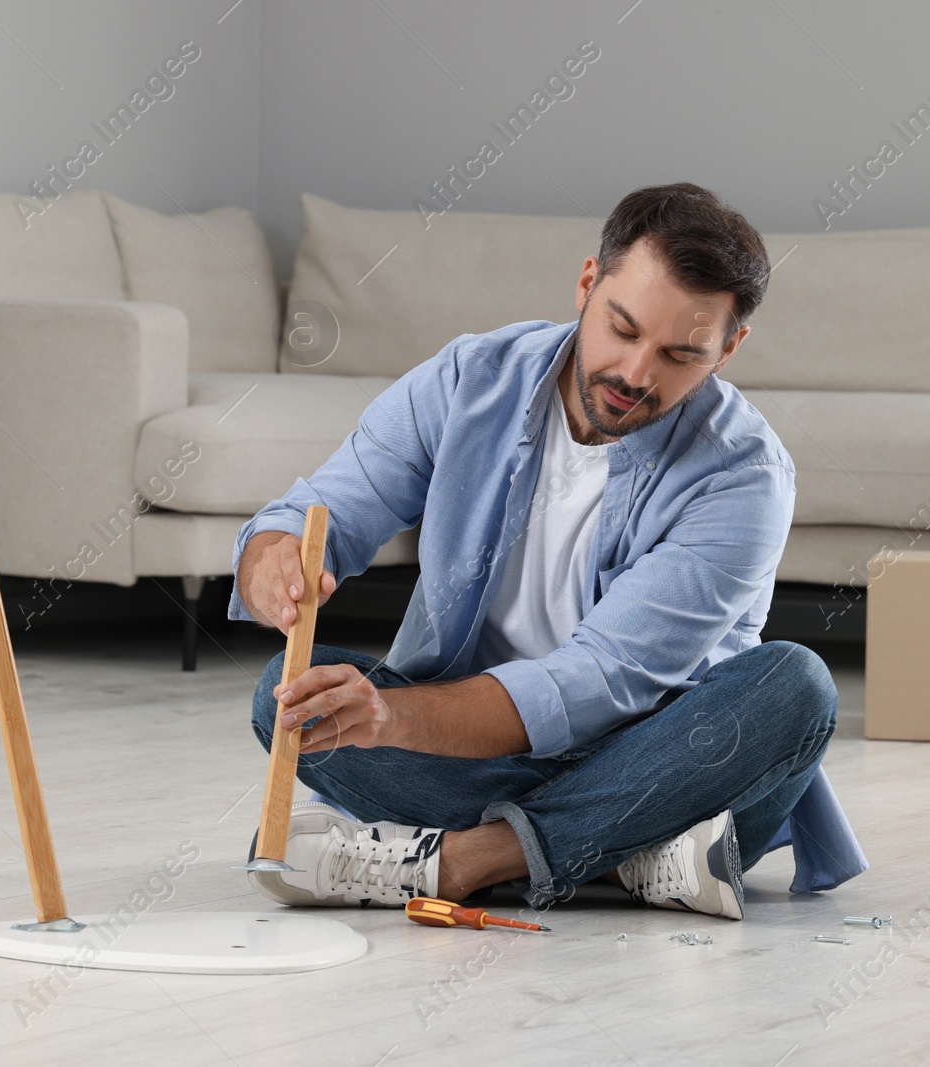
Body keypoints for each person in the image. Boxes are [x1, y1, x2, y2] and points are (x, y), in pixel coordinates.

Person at [231, 182, 866, 920]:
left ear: (727, 349)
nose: (635, 374)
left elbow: (595, 680)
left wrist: (393, 718)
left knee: (796, 687)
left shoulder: (744, 475)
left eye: (679, 354)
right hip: (477, 746)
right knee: (285, 689)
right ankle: (632, 856)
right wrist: (272, 557)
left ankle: (467, 859)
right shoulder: (471, 377)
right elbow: (321, 510)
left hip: (663, 760)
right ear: (588, 283)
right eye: (621, 328)